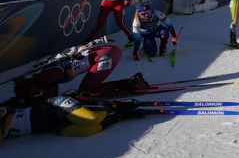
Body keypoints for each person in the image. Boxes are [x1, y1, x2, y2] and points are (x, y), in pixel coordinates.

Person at [0, 95, 144, 142]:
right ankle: (119, 116)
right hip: (48, 126)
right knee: (88, 131)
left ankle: (115, 106)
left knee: (92, 119)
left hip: (54, 107)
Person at [12, 41, 123, 100]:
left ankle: (128, 85)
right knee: (83, 92)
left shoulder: (44, 79)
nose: (37, 93)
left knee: (83, 95)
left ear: (31, 88)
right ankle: (125, 84)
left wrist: (30, 102)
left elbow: (50, 99)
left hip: (107, 56)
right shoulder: (43, 76)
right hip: (107, 52)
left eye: (33, 94)